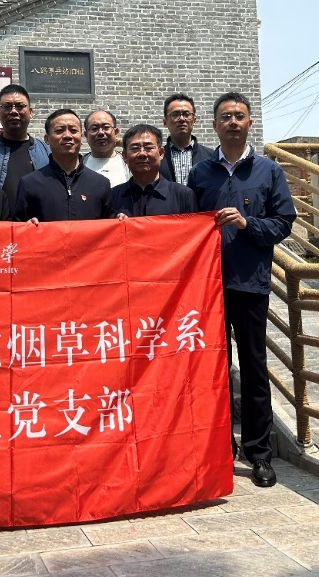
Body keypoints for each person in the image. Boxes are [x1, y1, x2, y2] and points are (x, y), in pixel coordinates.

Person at [188, 93, 296, 488]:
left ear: (250, 123)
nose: (233, 122)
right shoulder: (201, 173)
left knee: (253, 368)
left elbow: (284, 222)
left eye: (239, 116)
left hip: (251, 284)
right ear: (214, 125)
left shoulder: (269, 171)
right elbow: (187, 224)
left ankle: (259, 453)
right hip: (209, 287)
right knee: (213, 369)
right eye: (225, 117)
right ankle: (220, 446)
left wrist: (248, 223)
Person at [14, 109, 115, 223]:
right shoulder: (29, 183)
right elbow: (18, 227)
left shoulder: (101, 184)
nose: (67, 135)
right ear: (47, 139)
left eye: (73, 130)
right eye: (59, 130)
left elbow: (110, 229)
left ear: (81, 137)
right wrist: (27, 227)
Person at [112, 124, 198, 217]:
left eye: (148, 148)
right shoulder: (112, 197)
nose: (142, 154)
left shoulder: (183, 196)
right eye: (135, 148)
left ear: (161, 153)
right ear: (125, 156)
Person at [0, 84, 50, 207]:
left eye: (20, 106)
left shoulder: (47, 151)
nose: (14, 111)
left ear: (30, 112)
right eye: (7, 106)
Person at [160, 93, 213, 185]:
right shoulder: (157, 158)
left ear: (194, 120)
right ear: (165, 122)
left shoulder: (211, 156)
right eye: (175, 115)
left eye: (186, 114)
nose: (181, 119)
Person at [82, 110, 130, 187]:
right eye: (94, 128)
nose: (101, 132)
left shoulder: (128, 165)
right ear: (86, 135)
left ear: (116, 132)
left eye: (106, 127)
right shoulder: (79, 166)